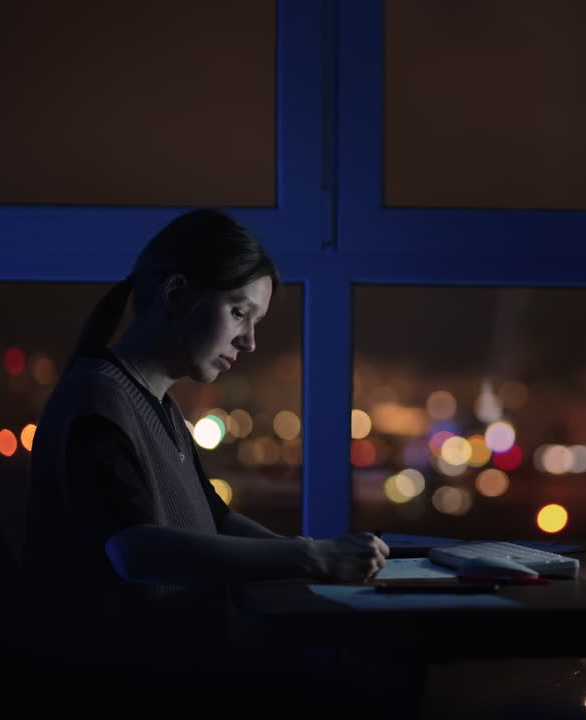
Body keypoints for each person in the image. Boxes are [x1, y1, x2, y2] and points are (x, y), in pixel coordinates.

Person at [20, 209, 390, 702]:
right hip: (125, 679)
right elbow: (133, 550)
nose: (250, 341)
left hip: (170, 665)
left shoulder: (157, 408)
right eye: (240, 313)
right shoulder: (98, 401)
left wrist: (308, 555)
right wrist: (309, 556)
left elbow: (216, 520)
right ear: (175, 295)